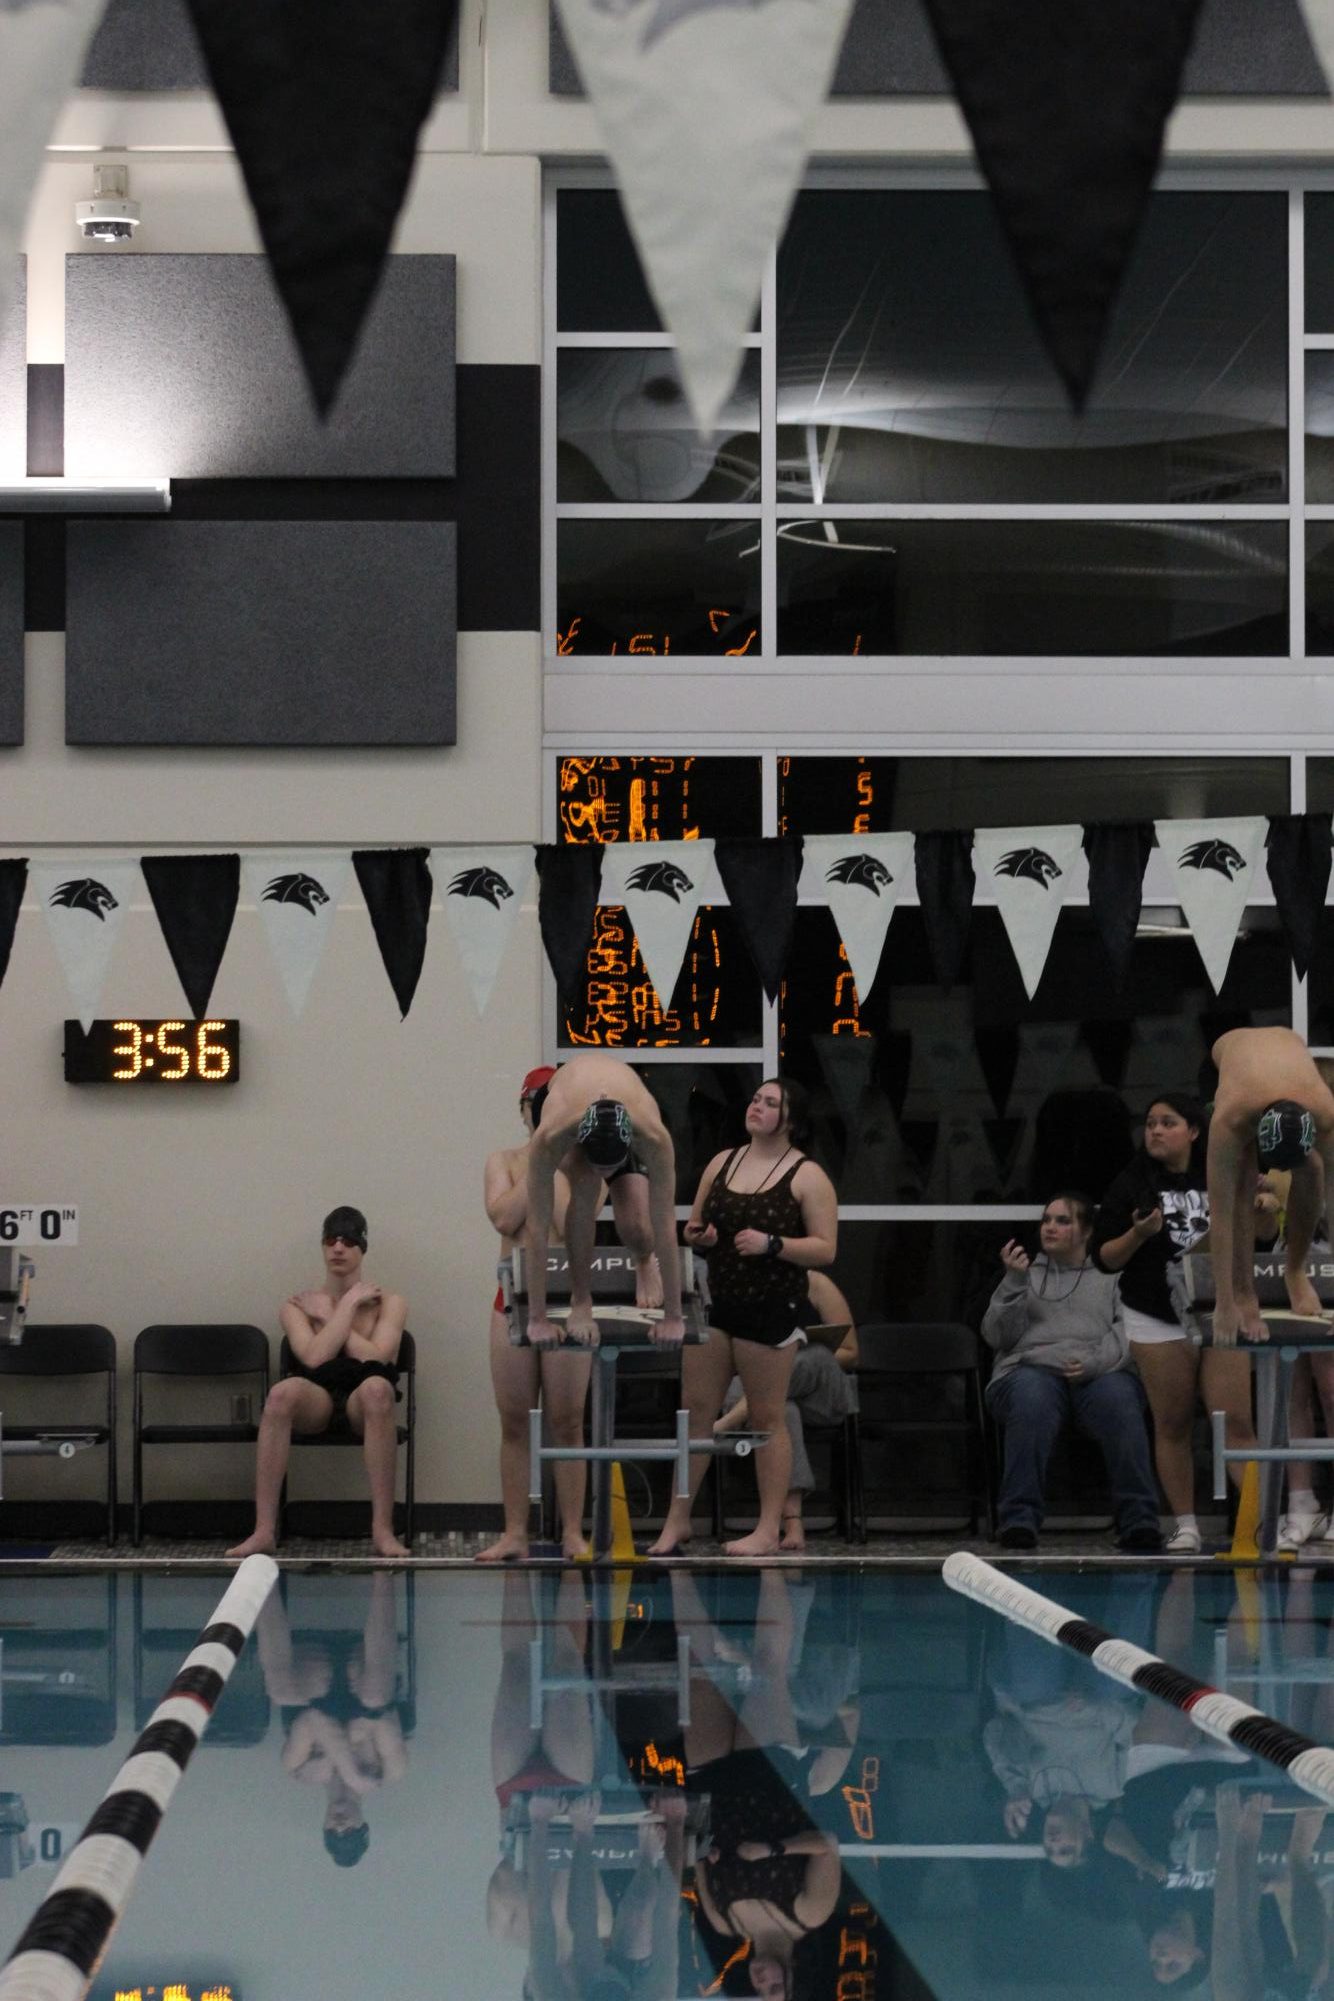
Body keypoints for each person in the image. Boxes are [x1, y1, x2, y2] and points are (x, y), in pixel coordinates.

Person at [650, 1078, 839, 1558]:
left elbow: (825, 1248)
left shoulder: (807, 1175)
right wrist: (703, 1238)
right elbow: (692, 1228)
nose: (757, 1105)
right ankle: (678, 1522)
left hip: (771, 1307)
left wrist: (772, 1244)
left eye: (770, 1102)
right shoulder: (723, 1162)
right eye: (755, 1098)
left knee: (765, 1418)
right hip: (717, 1303)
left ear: (790, 1120)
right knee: (695, 1415)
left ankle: (768, 1527)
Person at [1093, 1094, 1257, 1555]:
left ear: (1195, 1131)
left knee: (1234, 1421)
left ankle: (1259, 1521)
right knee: (1172, 1423)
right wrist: (1138, 1234)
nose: (1156, 1131)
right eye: (1150, 1124)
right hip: (1155, 1311)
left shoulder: (1222, 1172)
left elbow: (1261, 1237)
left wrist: (1260, 1212)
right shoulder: (1131, 1183)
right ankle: (1186, 1525)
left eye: (1168, 1123)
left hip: (1219, 1308)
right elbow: (1103, 1259)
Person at [982, 1191, 1162, 1553]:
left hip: (1099, 1370)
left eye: (1063, 1221)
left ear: (1086, 1232)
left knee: (1120, 1399)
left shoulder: (1112, 1276)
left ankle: (1140, 1522)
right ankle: (1018, 1522)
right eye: (1047, 1220)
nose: (1050, 1227)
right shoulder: (1024, 1273)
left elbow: (1129, 1334)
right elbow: (997, 1337)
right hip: (1028, 1370)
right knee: (1032, 1399)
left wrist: (1094, 1364)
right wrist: (1013, 1283)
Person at [227, 1205, 409, 1560]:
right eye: (331, 1240)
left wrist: (328, 1315)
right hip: (318, 1398)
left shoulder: (392, 1303)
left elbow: (377, 1359)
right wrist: (341, 1310)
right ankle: (264, 1530)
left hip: (366, 1401)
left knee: (377, 1389)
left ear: (363, 1248)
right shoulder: (296, 1306)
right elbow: (313, 1358)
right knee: (280, 1394)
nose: (338, 1248)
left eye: (348, 1240)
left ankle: (383, 1531)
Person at [479, 1066, 591, 1562]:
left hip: (567, 1302)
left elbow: (570, 1226)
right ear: (523, 1108)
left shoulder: (586, 1167)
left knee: (568, 1422)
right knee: (514, 1423)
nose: (542, 1112)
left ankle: (571, 1532)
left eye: (553, 1105)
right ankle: (515, 1534)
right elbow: (503, 1217)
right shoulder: (501, 1160)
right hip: (513, 1301)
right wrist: (541, 1162)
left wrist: (552, 1164)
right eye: (536, 1103)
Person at [525, 1052, 683, 1348]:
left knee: (639, 1226)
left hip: (629, 1101)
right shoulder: (550, 1136)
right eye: (600, 1164)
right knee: (585, 1190)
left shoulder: (654, 1137)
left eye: (611, 1166)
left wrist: (673, 1317)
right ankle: (581, 1302)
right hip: (565, 1102)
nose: (605, 1174)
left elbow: (666, 1222)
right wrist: (537, 1319)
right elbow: (537, 1226)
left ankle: (644, 1260)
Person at [254, 1571, 408, 1867]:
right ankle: (383, 1572)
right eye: (350, 1832)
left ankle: (263, 1574)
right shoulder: (389, 1771)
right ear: (363, 1824)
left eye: (334, 1834)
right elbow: (382, 1718)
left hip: (315, 1667)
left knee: (280, 1692)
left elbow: (313, 1717)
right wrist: (342, 1738)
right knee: (375, 1696)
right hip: (363, 1667)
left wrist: (349, 1766)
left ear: (324, 1827)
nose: (341, 1826)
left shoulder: (299, 1769)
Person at [712, 1267, 858, 1552]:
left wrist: (789, 1359)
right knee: (781, 1410)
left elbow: (851, 1352)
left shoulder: (817, 1285)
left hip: (820, 1394)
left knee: (811, 1355)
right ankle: (792, 1523)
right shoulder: (735, 1287)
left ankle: (729, 1420)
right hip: (763, 1395)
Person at [1206, 1027, 1334, 1344]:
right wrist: (1225, 1302)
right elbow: (1219, 1215)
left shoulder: (1325, 1111)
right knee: (1242, 1179)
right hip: (1229, 1047)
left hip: (1287, 1043)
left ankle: (1295, 1270)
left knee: (1314, 1169)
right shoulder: (1230, 1119)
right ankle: (1244, 1292)